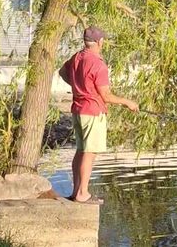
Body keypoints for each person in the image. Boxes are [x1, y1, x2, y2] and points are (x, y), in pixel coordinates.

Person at [59, 26, 139, 203]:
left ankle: (76, 192)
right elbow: (106, 96)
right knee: (90, 152)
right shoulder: (98, 64)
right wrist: (128, 102)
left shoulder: (77, 57)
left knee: (81, 150)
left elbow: (62, 72)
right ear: (99, 42)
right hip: (93, 112)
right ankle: (82, 193)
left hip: (78, 109)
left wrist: (78, 86)